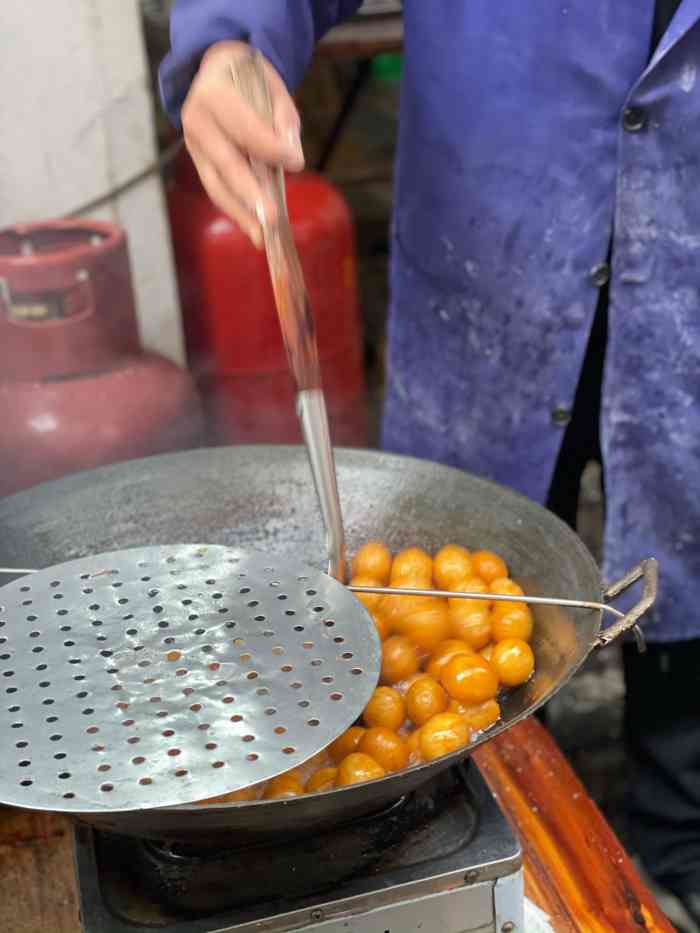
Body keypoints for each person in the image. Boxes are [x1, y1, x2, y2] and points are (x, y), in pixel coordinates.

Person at [160, 1, 700, 920]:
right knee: (462, 656)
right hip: (499, 236)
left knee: (689, 586)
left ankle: (677, 850)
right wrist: (230, 36)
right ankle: (492, 851)